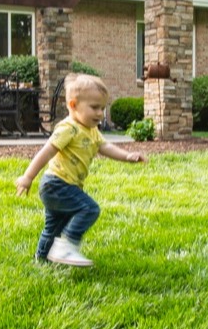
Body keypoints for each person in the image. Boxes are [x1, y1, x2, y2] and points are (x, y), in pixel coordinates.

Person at [15, 73, 147, 266]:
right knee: (89, 209)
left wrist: (127, 156)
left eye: (102, 108)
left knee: (54, 226)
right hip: (57, 184)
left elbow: (105, 147)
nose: (100, 113)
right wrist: (28, 177)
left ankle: (41, 260)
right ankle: (66, 246)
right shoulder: (69, 128)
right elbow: (46, 152)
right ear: (73, 105)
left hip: (65, 186)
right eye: (94, 107)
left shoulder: (91, 130)